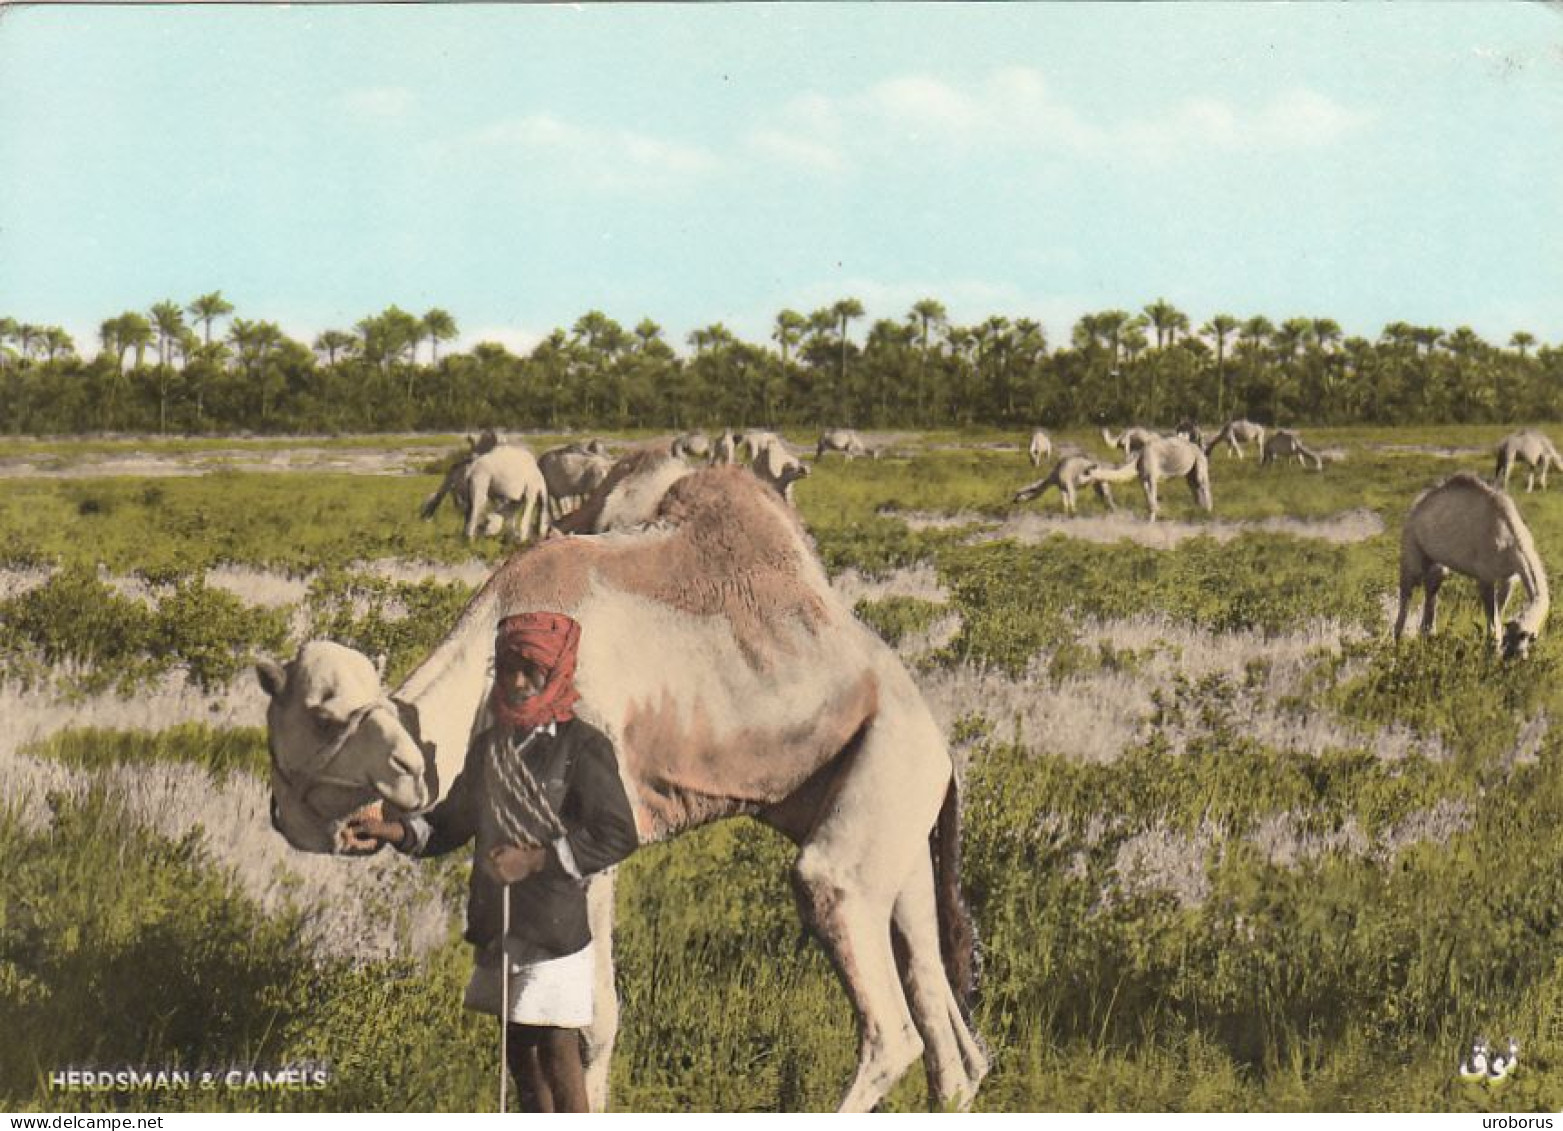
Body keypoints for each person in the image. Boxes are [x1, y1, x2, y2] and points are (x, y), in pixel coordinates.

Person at [346, 611, 639, 1113]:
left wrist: (538, 860)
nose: (518, 682)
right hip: (498, 924)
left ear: (559, 673)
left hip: (553, 929)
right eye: (506, 669)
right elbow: (450, 824)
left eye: (532, 671)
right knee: (519, 1055)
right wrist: (390, 830)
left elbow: (617, 834)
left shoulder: (583, 747)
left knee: (558, 1051)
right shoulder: (490, 747)